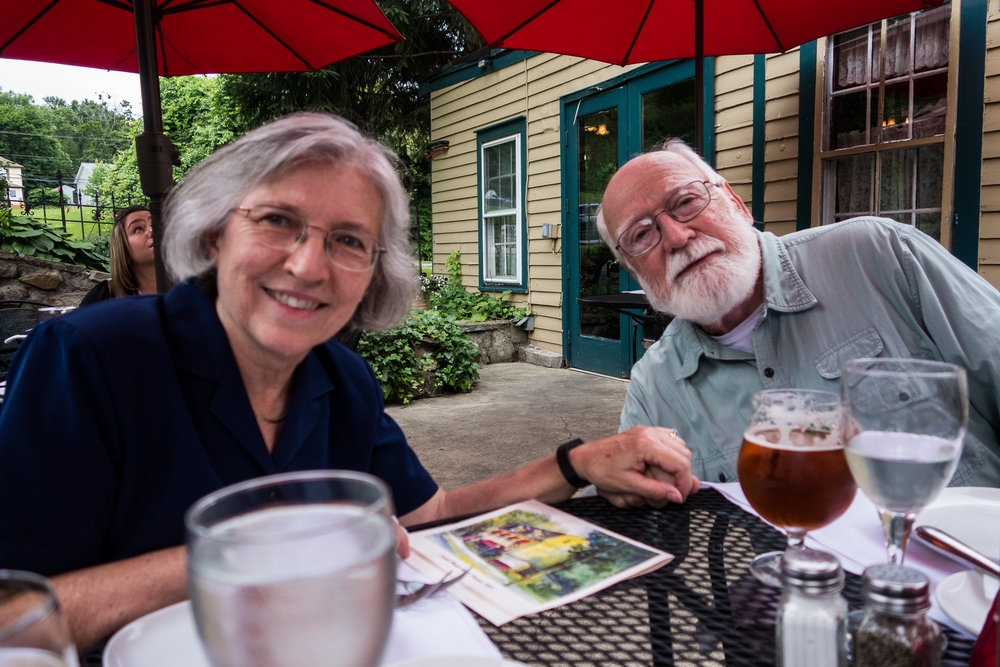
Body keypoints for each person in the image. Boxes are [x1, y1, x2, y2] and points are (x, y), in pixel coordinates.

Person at [0, 114, 698, 649]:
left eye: (348, 240)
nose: (309, 265)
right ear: (216, 234)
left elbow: (431, 515)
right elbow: (14, 616)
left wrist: (574, 463)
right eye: (278, 220)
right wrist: (261, 550)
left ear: (372, 272)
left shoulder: (342, 376)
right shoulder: (92, 354)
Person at [595, 139, 1000, 488]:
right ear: (634, 271)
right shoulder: (654, 387)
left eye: (685, 202)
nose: (678, 237)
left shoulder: (881, 255)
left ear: (736, 203)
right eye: (642, 234)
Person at [80, 205, 157, 306]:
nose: (152, 231)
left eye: (154, 223)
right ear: (124, 250)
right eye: (138, 229)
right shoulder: (104, 298)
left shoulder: (184, 288)